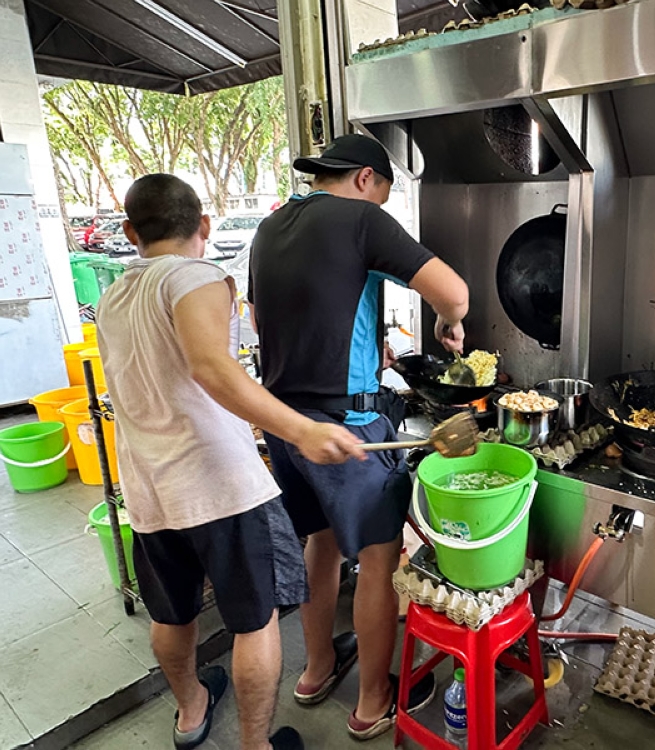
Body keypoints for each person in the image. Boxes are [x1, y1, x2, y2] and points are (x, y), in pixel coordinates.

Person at [96, 174, 366, 750]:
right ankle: (255, 744)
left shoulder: (114, 294)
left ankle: (191, 713)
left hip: (149, 489)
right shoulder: (197, 277)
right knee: (254, 621)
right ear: (205, 227)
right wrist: (302, 429)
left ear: (128, 232)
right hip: (220, 489)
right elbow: (212, 369)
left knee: (172, 616)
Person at [248, 133, 469, 740]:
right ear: (367, 180)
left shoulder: (271, 227)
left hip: (285, 427)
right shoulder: (361, 221)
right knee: (379, 562)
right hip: (346, 429)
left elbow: (268, 317)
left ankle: (316, 670)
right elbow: (453, 292)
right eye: (383, 197)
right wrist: (450, 322)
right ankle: (373, 700)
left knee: (319, 546)